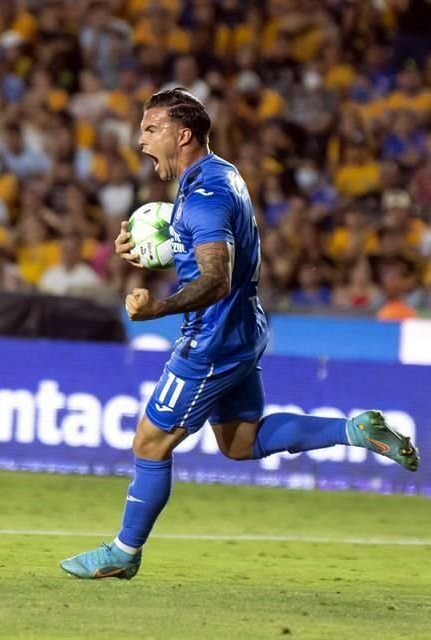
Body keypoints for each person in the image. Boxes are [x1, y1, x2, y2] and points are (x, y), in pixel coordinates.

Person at [59, 89, 420, 581]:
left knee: (150, 442)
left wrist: (156, 310)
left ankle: (124, 552)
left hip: (213, 338)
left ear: (181, 134)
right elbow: (202, 250)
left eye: (149, 130)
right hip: (244, 329)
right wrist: (153, 251)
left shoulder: (204, 196)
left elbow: (215, 278)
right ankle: (354, 429)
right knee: (239, 441)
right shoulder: (217, 175)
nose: (139, 141)